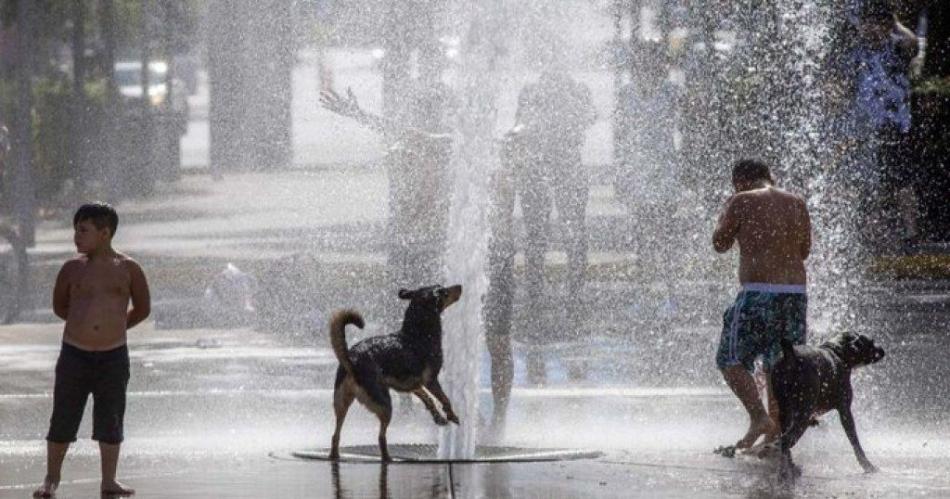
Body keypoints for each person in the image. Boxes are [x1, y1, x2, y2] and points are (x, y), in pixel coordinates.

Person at [34, 203, 151, 497]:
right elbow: (60, 306)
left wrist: (116, 327)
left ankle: (109, 480)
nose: (76, 236)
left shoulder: (129, 268)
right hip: (75, 353)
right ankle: (51, 478)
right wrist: (83, 324)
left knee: (111, 417)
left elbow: (143, 307)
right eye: (75, 230)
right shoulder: (72, 268)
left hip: (113, 355)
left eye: (83, 230)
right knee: (63, 416)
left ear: (105, 233)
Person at [712, 159, 811, 450]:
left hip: (758, 293)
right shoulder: (797, 202)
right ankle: (775, 434)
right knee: (778, 365)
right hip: (795, 294)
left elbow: (720, 243)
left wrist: (725, 213)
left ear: (739, 182)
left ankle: (759, 417)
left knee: (729, 360)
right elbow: (804, 252)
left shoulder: (740, 200)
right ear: (770, 176)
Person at [509, 69, 596, 383]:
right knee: (536, 235)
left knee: (575, 233)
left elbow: (589, 117)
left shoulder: (576, 88)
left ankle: (574, 294)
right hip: (536, 169)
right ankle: (536, 296)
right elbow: (518, 126)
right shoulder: (531, 90)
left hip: (567, 166)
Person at [837, 0, 920, 250]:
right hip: (862, 127)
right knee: (864, 182)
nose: (871, 29)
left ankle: (911, 233)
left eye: (878, 24)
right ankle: (870, 234)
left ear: (887, 27)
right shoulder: (854, 52)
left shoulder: (896, 48)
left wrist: (894, 23)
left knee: (901, 183)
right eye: (867, 24)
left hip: (894, 125)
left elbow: (913, 44)